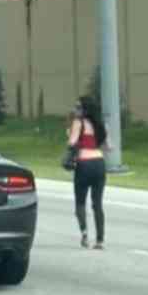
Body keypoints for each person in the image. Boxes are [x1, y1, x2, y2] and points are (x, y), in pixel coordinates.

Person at [67, 96, 108, 250]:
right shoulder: (99, 124)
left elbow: (72, 143)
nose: (76, 110)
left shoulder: (78, 123)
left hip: (84, 164)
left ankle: (84, 235)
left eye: (78, 107)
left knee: (80, 202)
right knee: (97, 204)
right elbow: (107, 146)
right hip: (99, 164)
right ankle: (100, 240)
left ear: (85, 109)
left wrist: (70, 135)